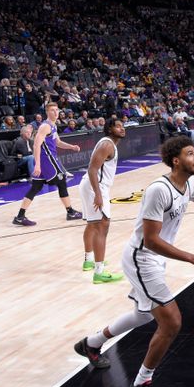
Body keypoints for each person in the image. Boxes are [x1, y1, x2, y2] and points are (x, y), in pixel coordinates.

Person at [75, 136, 194, 387]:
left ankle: (90, 344)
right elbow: (150, 240)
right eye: (190, 153)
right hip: (142, 258)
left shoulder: (189, 184)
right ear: (176, 160)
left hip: (154, 259)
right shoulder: (159, 190)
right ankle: (140, 385)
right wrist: (189, 257)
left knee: (143, 315)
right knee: (171, 322)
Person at [12, 103, 82, 226]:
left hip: (47, 159)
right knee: (61, 181)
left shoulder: (53, 125)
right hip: (47, 159)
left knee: (36, 187)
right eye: (52, 110)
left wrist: (71, 147)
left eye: (57, 110)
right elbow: (36, 145)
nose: (55, 112)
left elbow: (58, 142)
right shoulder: (45, 126)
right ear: (47, 112)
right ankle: (70, 212)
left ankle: (20, 216)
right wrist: (38, 165)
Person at [78, 119, 126, 282]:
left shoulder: (109, 144)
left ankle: (89, 261)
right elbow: (92, 169)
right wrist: (98, 194)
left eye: (122, 126)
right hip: (95, 186)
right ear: (109, 129)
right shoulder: (107, 145)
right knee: (102, 226)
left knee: (93, 224)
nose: (122, 128)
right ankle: (99, 272)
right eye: (118, 126)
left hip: (90, 185)